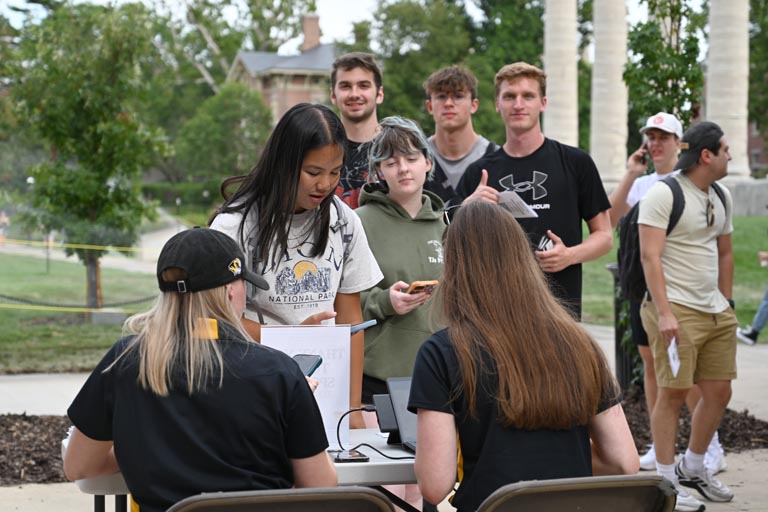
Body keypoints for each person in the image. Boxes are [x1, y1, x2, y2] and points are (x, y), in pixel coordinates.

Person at [63, 228, 336, 512]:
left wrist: (143, 445)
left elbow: (79, 466)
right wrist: (303, 407)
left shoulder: (126, 360)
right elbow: (321, 485)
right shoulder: (279, 372)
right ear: (231, 291)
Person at [408, 202, 638, 511]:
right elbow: (624, 462)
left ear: (453, 266)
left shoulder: (441, 352)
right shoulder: (580, 344)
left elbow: (434, 486)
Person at [210, 103, 384, 428]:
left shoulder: (344, 222)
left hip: (324, 389)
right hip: (253, 386)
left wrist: (352, 410)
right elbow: (212, 320)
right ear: (283, 164)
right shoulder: (233, 226)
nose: (326, 185)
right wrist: (290, 340)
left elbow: (350, 320)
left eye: (335, 172)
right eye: (314, 173)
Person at [610, 113, 726, 475]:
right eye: (651, 137)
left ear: (680, 143)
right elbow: (612, 217)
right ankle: (662, 448)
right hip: (639, 287)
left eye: (664, 137)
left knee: (683, 374)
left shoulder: (686, 184)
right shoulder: (644, 184)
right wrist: (631, 171)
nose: (656, 143)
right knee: (653, 366)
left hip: (675, 291)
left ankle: (710, 446)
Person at [453, 62, 612, 319]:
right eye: (509, 96)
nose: (518, 104)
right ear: (497, 104)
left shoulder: (575, 162)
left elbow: (605, 237)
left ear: (543, 103)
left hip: (559, 312)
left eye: (528, 96)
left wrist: (570, 255)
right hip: (497, 313)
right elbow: (449, 241)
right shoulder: (478, 173)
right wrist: (467, 207)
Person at [639, 121, 737, 510]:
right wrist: (664, 313)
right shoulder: (664, 194)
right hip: (674, 309)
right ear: (707, 155)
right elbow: (650, 255)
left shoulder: (722, 195)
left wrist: (726, 303)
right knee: (673, 393)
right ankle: (664, 486)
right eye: (725, 148)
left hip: (714, 311)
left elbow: (726, 253)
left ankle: (693, 467)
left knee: (718, 391)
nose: (731, 155)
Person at [356, 116, 445, 403]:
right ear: (379, 171)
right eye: (391, 163)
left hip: (439, 374)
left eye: (410, 158)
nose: (403, 169)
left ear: (427, 162)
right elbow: (338, 299)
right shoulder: (358, 223)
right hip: (378, 378)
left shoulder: (446, 227)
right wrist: (384, 302)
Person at [422, 65, 498, 204]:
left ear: (474, 105)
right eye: (441, 96)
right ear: (429, 106)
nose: (449, 103)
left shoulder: (496, 157)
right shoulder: (415, 158)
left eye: (458, 96)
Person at [330, 52, 384, 209]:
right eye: (345, 86)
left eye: (363, 85)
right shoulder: (319, 148)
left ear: (379, 94)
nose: (354, 94)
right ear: (333, 95)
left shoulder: (398, 150)